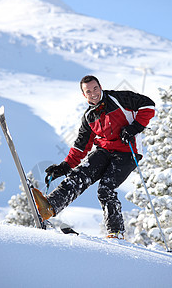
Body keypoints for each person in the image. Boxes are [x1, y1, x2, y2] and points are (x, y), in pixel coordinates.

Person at [32, 75, 155, 239]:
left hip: (127, 151)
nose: (93, 93)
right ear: (84, 95)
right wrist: (65, 166)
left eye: (95, 88)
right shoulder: (89, 117)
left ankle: (116, 232)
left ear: (100, 87)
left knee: (105, 189)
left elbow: (148, 105)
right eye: (88, 91)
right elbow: (80, 146)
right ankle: (51, 205)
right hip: (104, 151)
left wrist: (134, 128)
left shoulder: (119, 98)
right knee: (79, 175)